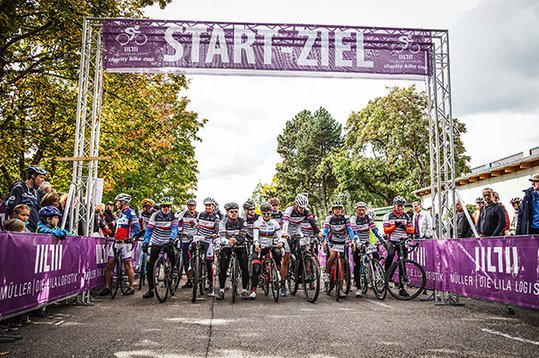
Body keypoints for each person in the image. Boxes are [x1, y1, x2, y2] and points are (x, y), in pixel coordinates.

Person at [99, 193, 140, 296]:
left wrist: (131, 236)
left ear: (123, 203)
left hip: (126, 243)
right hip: (116, 241)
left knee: (127, 264)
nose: (116, 203)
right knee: (109, 264)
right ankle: (107, 287)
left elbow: (136, 228)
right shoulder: (119, 214)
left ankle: (131, 287)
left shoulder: (131, 213)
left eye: (118, 202)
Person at [280, 193, 321, 297]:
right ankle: (283, 285)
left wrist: (318, 232)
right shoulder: (289, 210)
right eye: (300, 208)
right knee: (286, 259)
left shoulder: (306, 210)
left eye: (304, 208)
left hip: (299, 232)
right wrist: (285, 233)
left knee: (304, 251)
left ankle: (303, 270)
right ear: (296, 205)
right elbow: (285, 222)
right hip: (287, 233)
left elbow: (311, 221)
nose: (302, 210)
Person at [141, 197, 178, 299]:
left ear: (170, 207)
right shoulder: (155, 215)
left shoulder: (174, 216)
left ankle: (173, 268)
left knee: (171, 252)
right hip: (156, 241)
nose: (166, 208)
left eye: (168, 206)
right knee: (150, 268)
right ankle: (151, 289)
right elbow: (149, 230)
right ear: (161, 207)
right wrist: (145, 242)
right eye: (164, 206)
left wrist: (172, 239)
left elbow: (174, 229)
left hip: (167, 240)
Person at [250, 203, 286, 299]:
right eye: (264, 213)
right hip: (259, 247)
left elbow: (279, 236)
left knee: (278, 252)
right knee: (256, 269)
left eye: (268, 214)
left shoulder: (275, 223)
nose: (266, 216)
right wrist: (256, 244)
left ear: (271, 214)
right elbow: (255, 236)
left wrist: (281, 242)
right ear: (261, 213)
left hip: (270, 246)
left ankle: (277, 270)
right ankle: (253, 290)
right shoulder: (257, 223)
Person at [350, 202, 385, 297]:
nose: (361, 212)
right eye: (359, 210)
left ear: (365, 211)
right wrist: (357, 241)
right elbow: (354, 231)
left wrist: (381, 239)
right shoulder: (353, 219)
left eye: (363, 210)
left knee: (375, 255)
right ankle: (359, 288)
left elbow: (374, 229)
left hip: (366, 242)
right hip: (357, 242)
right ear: (356, 211)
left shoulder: (368, 218)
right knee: (357, 265)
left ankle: (375, 273)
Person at [322, 200, 355, 298]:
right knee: (332, 255)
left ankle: (340, 289)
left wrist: (352, 241)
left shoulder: (346, 218)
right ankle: (327, 273)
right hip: (332, 242)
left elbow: (350, 230)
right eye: (336, 209)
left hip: (342, 242)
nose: (338, 210)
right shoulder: (329, 218)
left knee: (342, 264)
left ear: (342, 210)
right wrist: (324, 241)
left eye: (339, 208)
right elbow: (325, 230)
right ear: (332, 210)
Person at [216, 202, 250, 300]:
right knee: (223, 267)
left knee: (244, 267)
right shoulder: (223, 222)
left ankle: (244, 290)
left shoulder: (242, 221)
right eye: (231, 212)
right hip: (227, 245)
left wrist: (236, 240)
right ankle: (222, 290)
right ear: (227, 213)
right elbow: (222, 236)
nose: (234, 213)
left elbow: (243, 236)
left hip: (240, 245)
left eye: (236, 211)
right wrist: (228, 241)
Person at [383, 196, 414, 297]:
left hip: (403, 241)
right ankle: (386, 274)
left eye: (401, 206)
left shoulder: (406, 216)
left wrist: (404, 227)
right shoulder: (388, 215)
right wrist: (394, 226)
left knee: (402, 263)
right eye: (398, 205)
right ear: (394, 205)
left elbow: (412, 230)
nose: (400, 207)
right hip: (392, 240)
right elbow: (385, 230)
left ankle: (402, 288)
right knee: (390, 254)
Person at [6, 166, 48, 232]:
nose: (43, 180)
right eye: (41, 177)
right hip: (21, 229)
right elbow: (11, 208)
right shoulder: (19, 188)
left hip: (34, 228)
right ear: (33, 176)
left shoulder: (36, 193)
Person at [193, 197, 220, 296]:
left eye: (210, 205)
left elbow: (217, 229)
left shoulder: (216, 217)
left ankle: (211, 284)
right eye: (206, 205)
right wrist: (194, 225)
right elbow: (196, 224)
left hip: (209, 240)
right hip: (199, 238)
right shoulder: (200, 214)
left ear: (213, 207)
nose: (208, 207)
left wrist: (215, 234)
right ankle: (194, 267)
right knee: (190, 249)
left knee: (209, 262)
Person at [176, 199, 198, 288]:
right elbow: (177, 223)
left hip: (195, 239)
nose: (191, 207)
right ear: (187, 206)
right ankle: (189, 280)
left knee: (196, 259)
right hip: (185, 238)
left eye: (193, 206)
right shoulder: (183, 214)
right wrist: (179, 231)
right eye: (189, 206)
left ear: (195, 207)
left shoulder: (199, 215)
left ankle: (197, 275)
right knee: (186, 260)